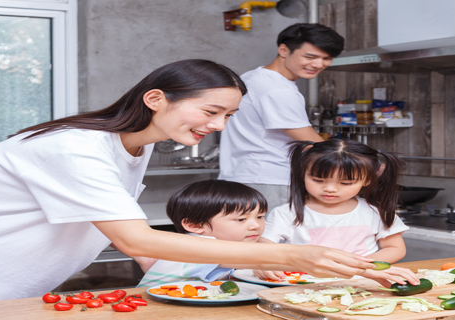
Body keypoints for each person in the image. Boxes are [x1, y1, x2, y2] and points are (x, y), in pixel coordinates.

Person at [0, 59, 380, 308]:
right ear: (156, 99)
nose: (219, 126)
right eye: (211, 111)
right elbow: (134, 239)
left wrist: (267, 253)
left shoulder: (135, 146)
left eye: (229, 116)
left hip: (6, 283)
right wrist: (291, 255)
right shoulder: (75, 147)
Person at [255, 139, 418, 288]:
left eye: (346, 183)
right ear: (303, 174)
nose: (330, 189)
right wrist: (264, 264)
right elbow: (264, 246)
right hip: (304, 285)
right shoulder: (286, 213)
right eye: (318, 180)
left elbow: (395, 248)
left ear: (367, 180)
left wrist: (358, 266)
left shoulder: (376, 212)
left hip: (361, 283)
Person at [218, 23, 344, 210]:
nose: (319, 64)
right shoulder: (277, 89)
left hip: (244, 175)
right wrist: (359, 164)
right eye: (310, 57)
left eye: (327, 58)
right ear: (284, 50)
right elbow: (311, 143)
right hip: (270, 179)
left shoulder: (252, 77)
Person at [136, 180, 268, 287]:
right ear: (195, 225)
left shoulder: (224, 246)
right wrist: (261, 266)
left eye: (260, 216)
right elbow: (256, 259)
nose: (256, 225)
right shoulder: (194, 248)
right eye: (241, 219)